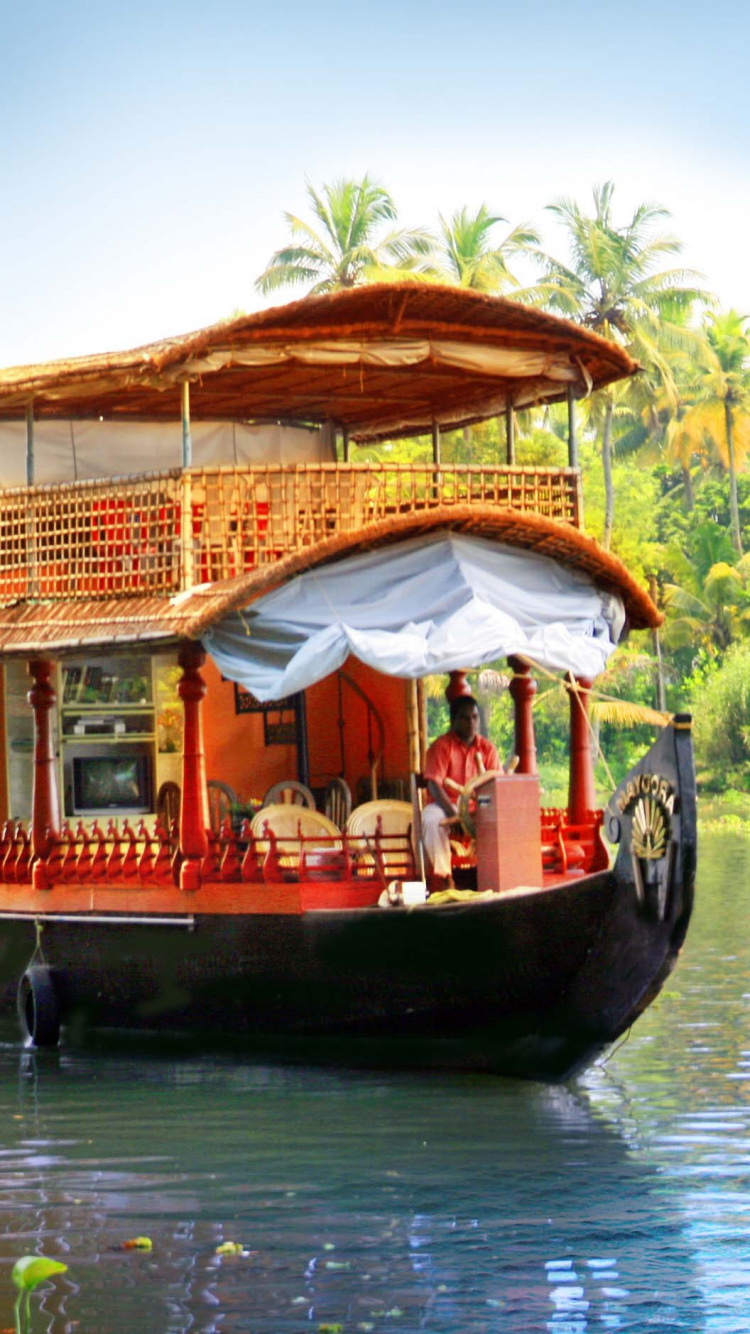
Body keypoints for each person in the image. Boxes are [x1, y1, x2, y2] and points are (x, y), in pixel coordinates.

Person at [422, 695, 499, 892]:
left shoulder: (487, 748)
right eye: (465, 718)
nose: (471, 723)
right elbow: (434, 785)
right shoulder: (441, 746)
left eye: (474, 717)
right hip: (445, 806)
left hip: (478, 806)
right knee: (431, 821)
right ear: (453, 720)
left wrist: (478, 812)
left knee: (501, 822)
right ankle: (445, 877)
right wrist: (455, 815)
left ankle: (494, 875)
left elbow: (496, 785)